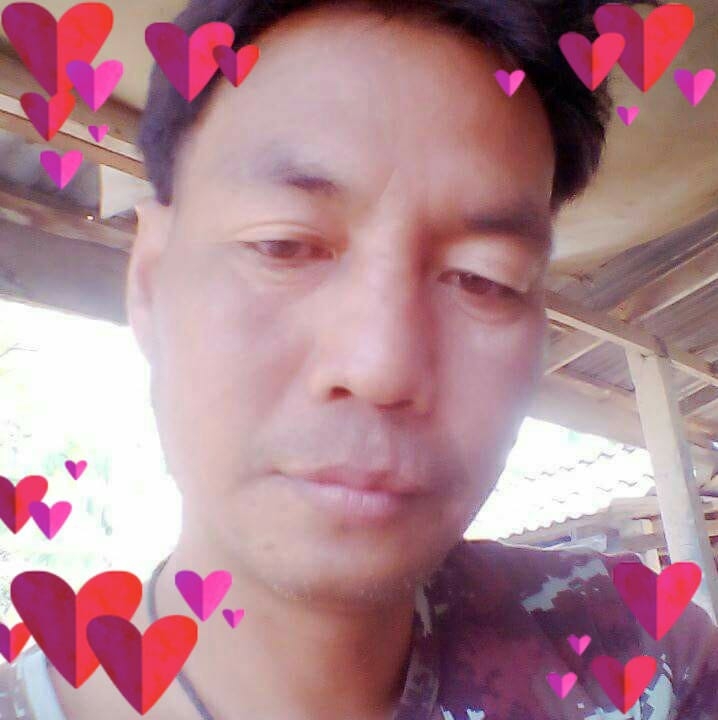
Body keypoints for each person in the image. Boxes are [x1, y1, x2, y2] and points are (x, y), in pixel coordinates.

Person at [2, 0, 718, 718]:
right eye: (284, 245)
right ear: (150, 280)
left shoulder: (639, 659)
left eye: (485, 278)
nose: (381, 369)